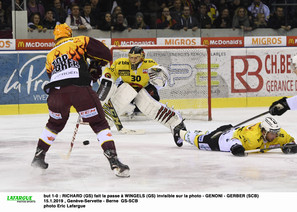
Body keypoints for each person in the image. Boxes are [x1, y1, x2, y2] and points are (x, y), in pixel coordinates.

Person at [31, 23, 130, 178]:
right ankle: (114, 160)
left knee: (54, 124)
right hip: (80, 90)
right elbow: (105, 54)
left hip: (56, 94)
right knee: (99, 123)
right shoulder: (79, 40)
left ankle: (38, 156)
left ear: (55, 36)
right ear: (69, 33)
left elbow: (53, 77)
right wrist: (95, 66)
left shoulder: (50, 54)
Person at [97, 46, 186, 147]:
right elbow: (109, 73)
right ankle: (105, 121)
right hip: (128, 89)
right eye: (131, 57)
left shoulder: (150, 64)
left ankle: (175, 121)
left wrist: (159, 81)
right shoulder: (121, 63)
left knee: (148, 106)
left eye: (136, 58)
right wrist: (106, 82)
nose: (133, 60)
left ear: (142, 57)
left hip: (145, 89)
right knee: (126, 91)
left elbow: (160, 83)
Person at [174, 117, 297, 156]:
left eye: (276, 132)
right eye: (272, 133)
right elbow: (235, 138)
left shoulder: (278, 134)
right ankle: (179, 132)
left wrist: (291, 145)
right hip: (225, 138)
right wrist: (235, 146)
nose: (274, 136)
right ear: (264, 131)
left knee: (206, 134)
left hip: (234, 130)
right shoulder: (252, 136)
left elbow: (289, 140)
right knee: (201, 142)